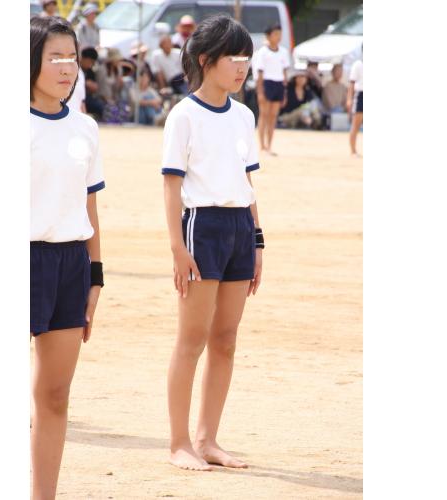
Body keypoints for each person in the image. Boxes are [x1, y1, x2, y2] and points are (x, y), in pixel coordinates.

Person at [162, 14, 263, 471]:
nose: (242, 67)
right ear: (205, 60)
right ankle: (178, 443)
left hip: (240, 227)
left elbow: (248, 182)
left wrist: (257, 241)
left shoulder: (244, 115)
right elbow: (171, 186)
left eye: (246, 58)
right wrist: (177, 248)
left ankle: (208, 439)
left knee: (226, 340)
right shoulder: (183, 116)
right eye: (233, 58)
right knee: (192, 339)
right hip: (201, 227)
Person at [30, 16, 105, 499]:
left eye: (72, 57)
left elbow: (90, 205)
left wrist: (96, 275)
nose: (66, 67)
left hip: (71, 264)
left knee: (55, 396)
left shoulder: (85, 127)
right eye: (54, 57)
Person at [254, 24, 290, 155]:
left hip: (278, 84)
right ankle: (262, 146)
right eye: (275, 34)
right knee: (264, 114)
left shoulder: (284, 52)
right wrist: (260, 91)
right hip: (267, 83)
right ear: (268, 36)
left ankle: (269, 145)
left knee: (273, 116)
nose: (278, 37)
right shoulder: (263, 52)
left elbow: (285, 73)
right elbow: (259, 72)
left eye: (279, 34)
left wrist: (284, 91)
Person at [80, 47, 104, 119]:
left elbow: (94, 87)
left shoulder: (90, 71)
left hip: (87, 96)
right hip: (77, 96)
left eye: (93, 63)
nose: (91, 65)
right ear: (84, 58)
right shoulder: (76, 68)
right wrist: (86, 83)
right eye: (90, 62)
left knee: (99, 106)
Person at [347, 55, 363, 156]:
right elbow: (352, 83)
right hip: (361, 94)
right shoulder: (358, 64)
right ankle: (353, 150)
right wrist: (349, 98)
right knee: (356, 124)